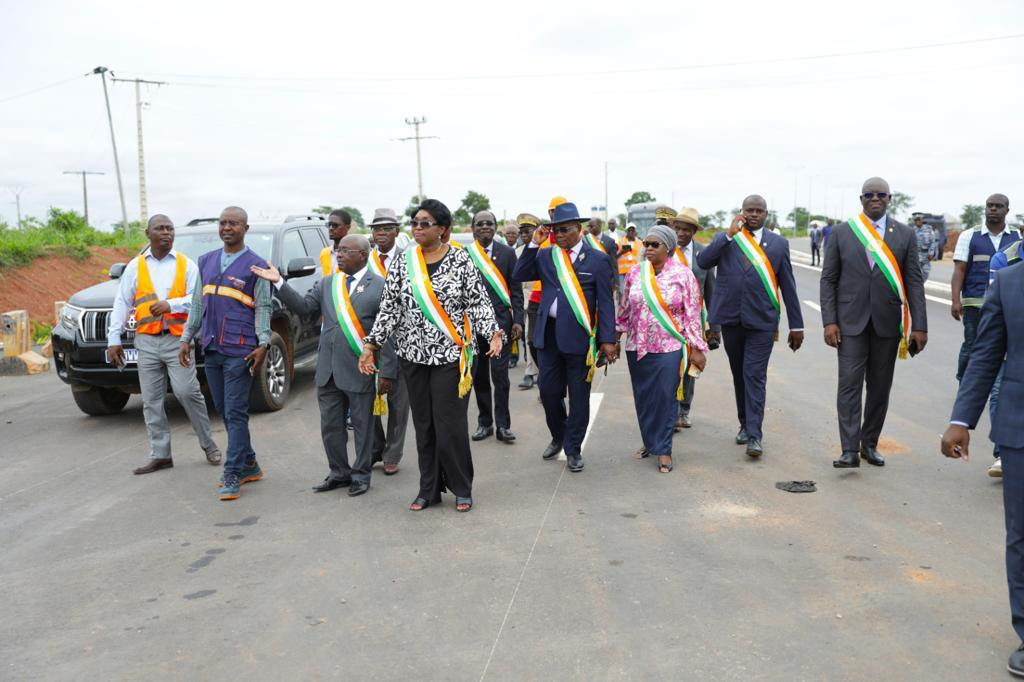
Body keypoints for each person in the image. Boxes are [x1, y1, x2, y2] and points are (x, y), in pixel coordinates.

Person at [359, 199, 502, 513]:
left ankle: (461, 487)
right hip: (413, 356)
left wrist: (492, 332)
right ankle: (429, 488)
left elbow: (478, 302)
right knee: (424, 425)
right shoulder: (404, 261)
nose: (418, 228)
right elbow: (390, 308)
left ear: (443, 230)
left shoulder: (460, 260)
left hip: (451, 356)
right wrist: (372, 345)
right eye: (415, 222)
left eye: (426, 223)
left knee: (449, 425)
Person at [250, 235, 395, 496]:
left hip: (361, 368)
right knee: (331, 425)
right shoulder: (329, 283)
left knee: (362, 426)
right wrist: (279, 282)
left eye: (346, 251)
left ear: (363, 255)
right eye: (338, 250)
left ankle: (361, 475)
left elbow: (389, 333)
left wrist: (387, 372)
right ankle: (339, 472)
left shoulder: (380, 286)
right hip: (328, 369)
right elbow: (304, 308)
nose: (339, 254)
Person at [941, 261, 1024, 677]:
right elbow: (986, 353)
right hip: (1020, 428)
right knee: (1022, 535)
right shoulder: (1009, 283)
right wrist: (961, 420)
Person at [820, 178, 928, 468]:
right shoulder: (842, 233)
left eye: (881, 194)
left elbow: (914, 281)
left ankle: (869, 444)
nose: (875, 199)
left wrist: (920, 325)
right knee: (849, 385)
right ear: (861, 199)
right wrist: (829, 321)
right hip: (849, 323)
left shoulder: (905, 234)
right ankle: (849, 450)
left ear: (890, 199)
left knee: (880, 388)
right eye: (869, 195)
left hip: (887, 323)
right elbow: (828, 279)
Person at [107, 214, 221, 475]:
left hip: (178, 341)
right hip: (146, 341)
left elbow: (198, 300)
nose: (167, 233)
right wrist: (114, 339)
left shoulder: (186, 265)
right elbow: (122, 302)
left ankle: (208, 444)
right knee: (151, 400)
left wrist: (171, 304)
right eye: (160, 228)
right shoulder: (135, 267)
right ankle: (161, 455)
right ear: (148, 233)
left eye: (170, 228)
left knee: (187, 392)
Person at [512, 201, 617, 472]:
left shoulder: (598, 260)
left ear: (578, 229)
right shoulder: (547, 255)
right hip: (548, 336)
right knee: (548, 392)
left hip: (580, 339)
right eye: (555, 230)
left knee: (579, 397)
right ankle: (558, 435)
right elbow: (520, 274)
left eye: (564, 229)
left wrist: (607, 340)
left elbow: (606, 303)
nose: (558, 235)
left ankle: (573, 448)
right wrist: (533, 244)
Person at [696, 194, 804, 458]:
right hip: (731, 319)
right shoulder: (728, 239)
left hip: (762, 321)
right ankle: (744, 424)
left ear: (766, 214)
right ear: (741, 212)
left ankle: (755, 436)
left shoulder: (778, 244)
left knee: (754, 374)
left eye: (759, 211)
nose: (754, 214)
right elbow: (703, 261)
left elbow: (788, 285)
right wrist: (727, 235)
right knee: (739, 374)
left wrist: (797, 325)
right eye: (749, 210)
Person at [179, 206, 271, 501]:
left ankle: (233, 472)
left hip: (241, 349)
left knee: (234, 412)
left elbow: (264, 307)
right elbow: (197, 304)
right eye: (223, 223)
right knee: (223, 409)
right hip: (212, 347)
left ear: (246, 228)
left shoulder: (257, 266)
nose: (227, 228)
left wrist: (263, 343)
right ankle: (249, 463)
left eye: (234, 223)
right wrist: (186, 338)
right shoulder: (205, 261)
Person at [616, 225, 708, 473]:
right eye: (646, 244)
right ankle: (650, 442)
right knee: (644, 397)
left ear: (668, 248)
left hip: (670, 347)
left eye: (654, 244)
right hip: (637, 346)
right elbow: (624, 310)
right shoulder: (635, 273)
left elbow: (693, 315)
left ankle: (664, 449)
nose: (648, 248)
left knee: (666, 398)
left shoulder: (683, 275)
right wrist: (614, 338)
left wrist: (697, 348)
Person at [466, 210, 524, 443]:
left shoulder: (508, 253)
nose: (485, 227)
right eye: (480, 224)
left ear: (495, 227)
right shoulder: (465, 255)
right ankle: (485, 423)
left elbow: (516, 290)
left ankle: (503, 425)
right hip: (473, 327)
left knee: (500, 377)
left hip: (501, 326)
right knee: (479, 377)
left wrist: (518, 320)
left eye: (489, 223)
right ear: (473, 228)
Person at [953, 194, 1018, 381]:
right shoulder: (968, 236)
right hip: (975, 304)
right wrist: (956, 300)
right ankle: (964, 382)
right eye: (990, 205)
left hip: (1008, 306)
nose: (993, 209)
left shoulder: (1017, 236)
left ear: (1007, 210)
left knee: (1005, 346)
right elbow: (959, 270)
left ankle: (997, 387)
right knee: (972, 344)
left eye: (998, 206)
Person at [366, 208, 410, 476]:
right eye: (376, 229)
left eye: (386, 228)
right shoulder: (365, 258)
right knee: (367, 398)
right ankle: (375, 448)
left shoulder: (409, 259)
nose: (381, 233)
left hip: (402, 338)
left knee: (398, 401)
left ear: (396, 231)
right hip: (369, 337)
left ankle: (393, 453)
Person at [670, 207, 720, 429]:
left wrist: (715, 327)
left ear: (694, 231)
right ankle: (670, 410)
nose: (681, 233)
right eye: (678, 229)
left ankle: (684, 410)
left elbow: (711, 292)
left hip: (694, 321)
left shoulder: (704, 254)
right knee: (670, 364)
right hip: (668, 320)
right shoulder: (665, 249)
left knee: (692, 364)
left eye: (686, 229)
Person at [516, 214, 543, 390]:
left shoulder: (544, 250)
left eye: (528, 231)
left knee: (535, 339)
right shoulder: (517, 252)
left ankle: (539, 374)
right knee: (527, 338)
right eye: (522, 232)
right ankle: (530, 372)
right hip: (522, 300)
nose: (525, 235)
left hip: (539, 300)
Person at [319, 209, 352, 276]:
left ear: (347, 227)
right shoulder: (324, 253)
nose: (331, 228)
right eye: (329, 225)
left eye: (335, 225)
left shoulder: (354, 253)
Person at [616, 223, 641, 300]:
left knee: (633, 291)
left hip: (635, 272)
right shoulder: (620, 242)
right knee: (622, 291)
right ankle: (623, 305)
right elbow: (614, 256)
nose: (631, 232)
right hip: (622, 272)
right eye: (629, 230)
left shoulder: (640, 243)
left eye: (632, 230)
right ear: (626, 231)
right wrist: (621, 252)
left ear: (635, 232)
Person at [912, 213, 935, 280]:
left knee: (925, 272)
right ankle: (918, 284)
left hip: (926, 255)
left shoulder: (929, 229)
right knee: (915, 272)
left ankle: (921, 283)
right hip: (915, 255)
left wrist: (931, 253)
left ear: (922, 220)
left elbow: (932, 242)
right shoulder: (912, 230)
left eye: (919, 219)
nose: (917, 221)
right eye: (915, 220)